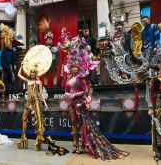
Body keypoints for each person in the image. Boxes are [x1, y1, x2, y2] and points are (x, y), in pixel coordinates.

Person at [59, 27, 128, 159]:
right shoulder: (68, 79)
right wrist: (67, 95)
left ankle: (81, 144)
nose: (73, 69)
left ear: (78, 68)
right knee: (73, 123)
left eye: (75, 67)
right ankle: (74, 143)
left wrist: (75, 95)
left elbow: (85, 90)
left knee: (80, 123)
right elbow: (67, 90)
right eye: (72, 67)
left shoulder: (81, 78)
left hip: (79, 103)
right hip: (71, 103)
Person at [17, 61, 48, 151]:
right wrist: (21, 66)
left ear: (36, 73)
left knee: (38, 121)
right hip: (29, 102)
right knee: (24, 118)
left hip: (37, 101)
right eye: (31, 72)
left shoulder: (39, 82)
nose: (32, 73)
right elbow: (19, 75)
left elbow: (41, 93)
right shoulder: (28, 81)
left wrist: (45, 104)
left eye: (34, 72)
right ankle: (23, 137)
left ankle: (39, 138)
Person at [38, 17, 59, 87]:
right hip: (46, 63)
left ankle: (55, 85)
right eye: (48, 40)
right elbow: (41, 56)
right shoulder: (43, 48)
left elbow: (58, 56)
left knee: (54, 74)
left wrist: (57, 64)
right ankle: (46, 86)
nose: (49, 41)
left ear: (52, 40)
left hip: (53, 62)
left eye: (50, 40)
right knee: (46, 75)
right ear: (46, 41)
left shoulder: (55, 48)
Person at [0, 23, 17, 90]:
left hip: (10, 66)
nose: (6, 45)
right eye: (6, 44)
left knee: (12, 77)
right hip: (5, 66)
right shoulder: (3, 52)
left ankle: (13, 88)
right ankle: (6, 88)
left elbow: (14, 59)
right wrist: (1, 66)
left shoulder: (12, 52)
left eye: (8, 44)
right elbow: (1, 59)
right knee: (5, 78)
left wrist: (14, 64)